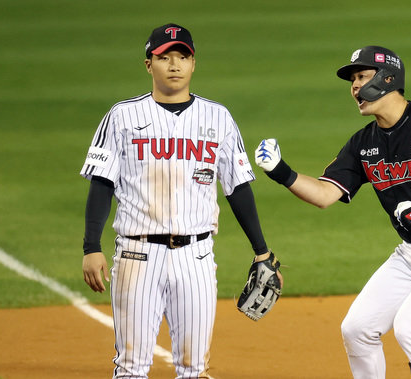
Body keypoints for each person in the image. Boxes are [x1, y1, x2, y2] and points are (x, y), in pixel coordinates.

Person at [254, 45, 411, 379]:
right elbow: (325, 195)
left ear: (388, 78)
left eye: (362, 76)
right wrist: (282, 171)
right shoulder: (363, 143)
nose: (354, 86)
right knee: (357, 329)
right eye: (352, 80)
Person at [80, 23, 282, 378]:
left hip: (197, 257)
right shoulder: (122, 117)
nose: (174, 64)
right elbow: (101, 182)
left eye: (182, 56)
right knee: (130, 368)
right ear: (148, 65)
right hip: (136, 256)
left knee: (194, 368)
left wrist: (262, 250)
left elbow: (237, 188)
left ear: (193, 64)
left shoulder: (218, 118)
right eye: (164, 57)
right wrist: (90, 246)